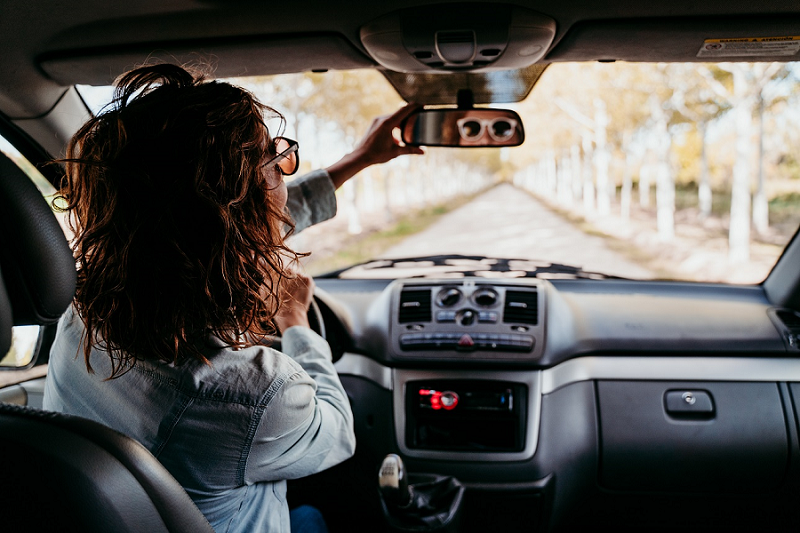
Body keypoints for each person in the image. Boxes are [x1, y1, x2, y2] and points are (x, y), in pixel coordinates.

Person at [42, 63, 423, 533]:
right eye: (275, 162)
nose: (285, 173)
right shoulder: (248, 392)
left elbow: (238, 217)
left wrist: (359, 160)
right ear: (229, 217)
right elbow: (337, 434)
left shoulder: (83, 304)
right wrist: (295, 321)